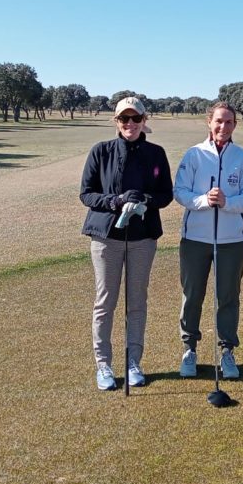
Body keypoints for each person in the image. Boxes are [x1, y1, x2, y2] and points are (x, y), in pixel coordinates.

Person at [79, 97, 173, 391]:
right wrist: (115, 201)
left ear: (145, 120)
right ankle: (104, 364)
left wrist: (144, 200)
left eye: (135, 119)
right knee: (105, 302)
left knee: (137, 302)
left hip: (143, 237)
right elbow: (87, 194)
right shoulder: (101, 151)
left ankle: (134, 362)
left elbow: (166, 194)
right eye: (124, 119)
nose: (130, 124)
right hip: (106, 238)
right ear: (116, 122)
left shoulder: (156, 154)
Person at [173, 101, 243, 379]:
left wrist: (226, 202)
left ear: (235, 125)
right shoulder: (194, 154)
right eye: (219, 121)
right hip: (195, 238)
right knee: (192, 295)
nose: (224, 127)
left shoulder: (242, 157)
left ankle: (227, 352)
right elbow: (180, 192)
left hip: (232, 240)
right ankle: (189, 349)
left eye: (229, 122)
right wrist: (202, 200)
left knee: (228, 297)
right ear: (209, 122)